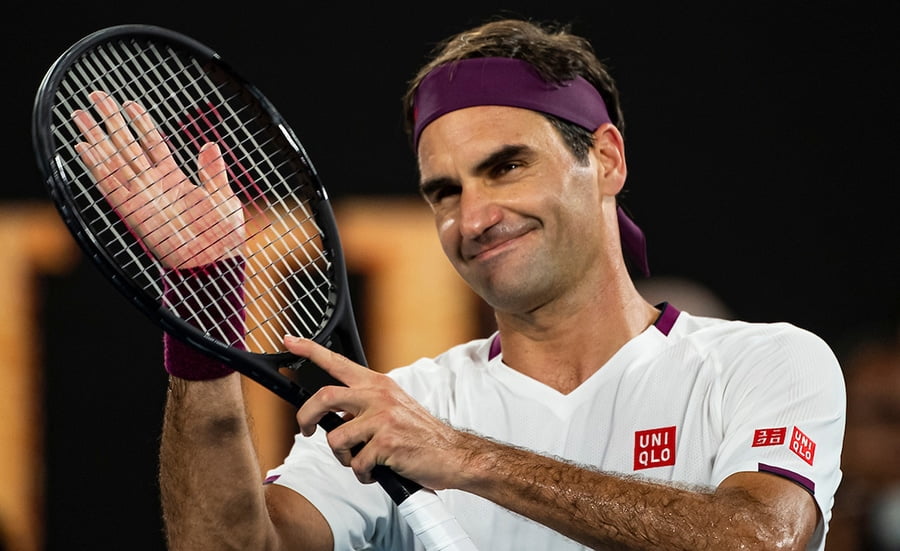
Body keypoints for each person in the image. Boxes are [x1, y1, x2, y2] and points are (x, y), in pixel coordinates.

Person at [72, 18, 845, 551]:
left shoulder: (767, 362)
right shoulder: (406, 410)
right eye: (443, 191)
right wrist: (203, 313)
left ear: (605, 159)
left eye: (506, 165)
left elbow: (758, 536)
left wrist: (462, 457)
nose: (473, 216)